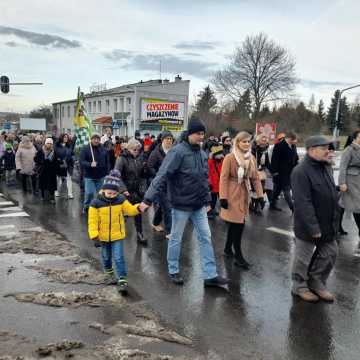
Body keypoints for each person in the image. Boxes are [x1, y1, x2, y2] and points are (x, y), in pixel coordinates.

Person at [141, 117, 229, 288]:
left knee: (206, 237)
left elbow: (204, 180)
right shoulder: (178, 152)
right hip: (181, 205)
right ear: (189, 133)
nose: (201, 137)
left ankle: (210, 275)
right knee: (176, 238)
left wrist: (207, 200)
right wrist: (147, 198)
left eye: (203, 133)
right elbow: (162, 175)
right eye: (197, 133)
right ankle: (173, 270)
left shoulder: (202, 153)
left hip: (198, 205)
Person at [291, 135, 339, 303]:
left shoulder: (326, 167)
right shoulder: (300, 172)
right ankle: (299, 286)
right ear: (311, 150)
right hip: (308, 225)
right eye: (324, 148)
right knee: (302, 259)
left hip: (327, 223)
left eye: (329, 148)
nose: (328, 152)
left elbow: (330, 192)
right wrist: (313, 228)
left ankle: (316, 281)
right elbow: (303, 203)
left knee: (330, 253)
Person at [88, 170, 147, 293]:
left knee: (119, 257)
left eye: (114, 193)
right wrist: (94, 235)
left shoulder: (120, 200)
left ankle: (122, 280)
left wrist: (138, 208)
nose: (111, 195)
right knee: (106, 257)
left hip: (117, 235)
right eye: (109, 193)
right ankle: (110, 274)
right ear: (103, 190)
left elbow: (130, 210)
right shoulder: (95, 203)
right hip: (103, 236)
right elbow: (92, 221)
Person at [219, 132, 264, 269]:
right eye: (243, 141)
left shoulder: (251, 158)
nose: (246, 144)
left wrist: (260, 195)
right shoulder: (230, 157)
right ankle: (238, 256)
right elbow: (224, 178)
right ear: (237, 142)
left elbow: (255, 178)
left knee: (236, 224)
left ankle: (227, 249)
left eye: (248, 141)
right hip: (232, 194)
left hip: (244, 193)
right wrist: (223, 197)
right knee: (238, 225)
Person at [115, 138, 149, 245]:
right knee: (124, 214)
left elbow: (143, 176)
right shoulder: (122, 159)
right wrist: (123, 189)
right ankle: (116, 234)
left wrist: (143, 188)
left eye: (138, 150)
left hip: (136, 191)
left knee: (137, 212)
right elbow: (116, 175)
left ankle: (140, 234)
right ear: (129, 149)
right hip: (125, 191)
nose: (136, 152)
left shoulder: (140, 158)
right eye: (134, 149)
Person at [147, 131, 174, 236]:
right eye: (167, 139)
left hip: (171, 183)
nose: (169, 141)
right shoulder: (156, 153)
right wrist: (159, 175)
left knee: (162, 206)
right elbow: (150, 167)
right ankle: (170, 231)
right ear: (162, 140)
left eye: (171, 139)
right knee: (168, 207)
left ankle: (155, 222)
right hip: (160, 184)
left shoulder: (173, 151)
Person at [338, 130, 360, 243]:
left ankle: (337, 225)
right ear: (355, 138)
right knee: (357, 206)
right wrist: (342, 182)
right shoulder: (349, 150)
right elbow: (342, 167)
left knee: (343, 203)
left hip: (358, 181)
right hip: (350, 181)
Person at [80, 133, 110, 213]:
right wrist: (90, 164)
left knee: (100, 194)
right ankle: (86, 206)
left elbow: (107, 162)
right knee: (89, 193)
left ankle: (98, 207)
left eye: (98, 139)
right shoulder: (85, 149)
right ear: (91, 139)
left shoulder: (103, 149)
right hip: (89, 176)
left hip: (101, 175)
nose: (96, 140)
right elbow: (82, 161)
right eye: (94, 139)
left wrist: (108, 172)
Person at [270, 132, 299, 212]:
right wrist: (274, 171)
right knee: (286, 189)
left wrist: (297, 166)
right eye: (295, 140)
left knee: (277, 190)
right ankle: (292, 207)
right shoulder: (279, 146)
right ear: (289, 138)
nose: (296, 141)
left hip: (290, 172)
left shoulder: (293, 146)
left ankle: (272, 204)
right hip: (280, 173)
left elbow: (295, 157)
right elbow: (274, 159)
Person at [34, 138, 59, 203]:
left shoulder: (54, 152)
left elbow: (56, 161)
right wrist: (41, 161)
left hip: (51, 171)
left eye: (51, 144)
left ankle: (52, 198)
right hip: (43, 170)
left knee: (52, 185)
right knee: (43, 184)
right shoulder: (41, 151)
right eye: (48, 143)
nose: (49, 145)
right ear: (45, 144)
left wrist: (57, 166)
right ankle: (42, 196)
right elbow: (35, 159)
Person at [251, 134, 272, 211]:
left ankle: (257, 204)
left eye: (266, 142)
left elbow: (267, 163)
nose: (265, 143)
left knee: (261, 188)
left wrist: (272, 171)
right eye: (263, 141)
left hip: (261, 171)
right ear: (258, 141)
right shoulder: (253, 149)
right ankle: (252, 203)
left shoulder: (265, 150)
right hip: (253, 171)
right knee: (253, 189)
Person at [54, 133, 74, 199]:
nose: (66, 138)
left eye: (67, 137)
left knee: (69, 178)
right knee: (58, 179)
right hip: (59, 164)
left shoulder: (69, 146)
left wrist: (72, 158)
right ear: (61, 138)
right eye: (65, 137)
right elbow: (55, 154)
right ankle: (56, 191)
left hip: (68, 165)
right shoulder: (57, 146)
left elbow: (72, 154)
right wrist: (59, 160)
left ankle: (70, 193)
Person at [207, 144, 224, 218]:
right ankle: (210, 211)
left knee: (222, 199)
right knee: (213, 200)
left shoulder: (222, 161)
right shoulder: (210, 162)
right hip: (213, 185)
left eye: (221, 153)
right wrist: (209, 183)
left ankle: (215, 210)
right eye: (219, 154)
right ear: (215, 154)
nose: (221, 155)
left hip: (221, 184)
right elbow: (208, 173)